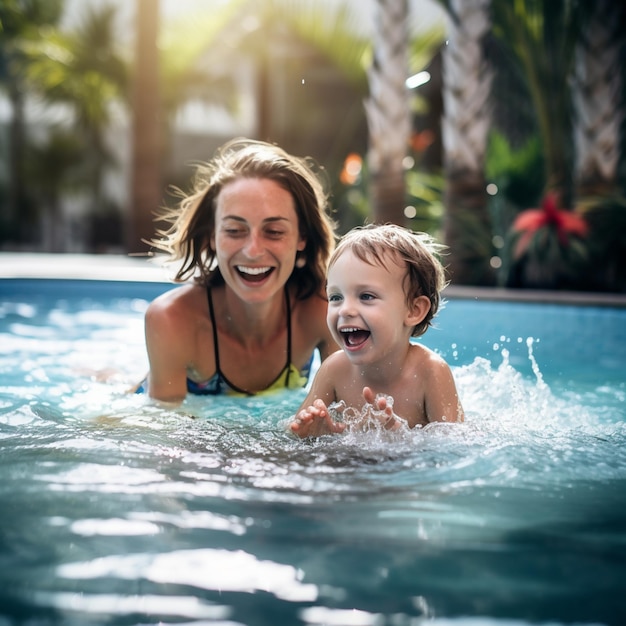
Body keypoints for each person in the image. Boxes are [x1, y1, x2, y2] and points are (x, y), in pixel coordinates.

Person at [136, 138, 338, 403]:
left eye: (274, 231)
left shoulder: (322, 309)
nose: (253, 251)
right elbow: (168, 431)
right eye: (234, 230)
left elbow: (347, 410)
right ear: (211, 235)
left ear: (303, 236)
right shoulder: (172, 319)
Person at [289, 223, 464, 438]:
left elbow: (455, 445)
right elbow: (293, 430)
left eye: (366, 296)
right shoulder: (334, 369)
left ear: (413, 310)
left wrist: (402, 441)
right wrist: (315, 434)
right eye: (336, 297)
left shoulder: (430, 373)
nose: (345, 309)